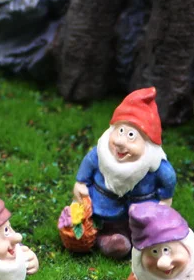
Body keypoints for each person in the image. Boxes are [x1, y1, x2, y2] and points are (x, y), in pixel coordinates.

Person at [73, 87, 177, 258]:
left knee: (146, 228)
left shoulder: (153, 163)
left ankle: (142, 240)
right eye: (120, 131)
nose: (121, 142)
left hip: (142, 212)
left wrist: (165, 200)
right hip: (104, 208)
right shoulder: (102, 153)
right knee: (102, 227)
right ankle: (107, 238)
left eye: (131, 135)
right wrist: (81, 182)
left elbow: (168, 178)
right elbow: (89, 163)